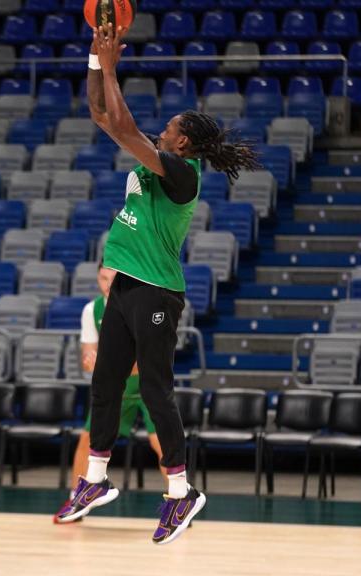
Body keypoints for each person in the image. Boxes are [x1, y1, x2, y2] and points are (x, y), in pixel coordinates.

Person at [55, 25, 257, 545]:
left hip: (158, 291)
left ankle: (181, 492)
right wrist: (97, 64)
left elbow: (121, 128)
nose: (161, 130)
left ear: (183, 140)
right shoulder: (156, 153)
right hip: (125, 285)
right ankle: (95, 482)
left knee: (154, 389)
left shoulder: (182, 172)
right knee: (106, 383)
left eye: (169, 127)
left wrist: (113, 65)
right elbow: (103, 116)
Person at [54, 263, 166, 523]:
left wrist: (110, 362)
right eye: (103, 278)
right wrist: (90, 360)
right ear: (98, 279)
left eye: (113, 278)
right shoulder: (91, 310)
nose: (108, 284)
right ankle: (76, 501)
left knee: (160, 444)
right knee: (86, 441)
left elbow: (144, 360)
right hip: (115, 387)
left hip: (148, 387)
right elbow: (87, 356)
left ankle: (177, 502)